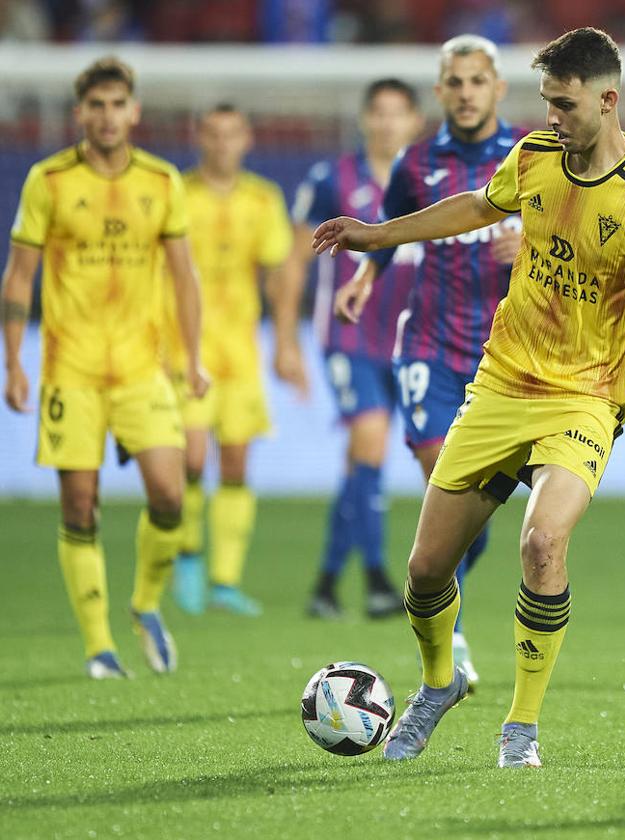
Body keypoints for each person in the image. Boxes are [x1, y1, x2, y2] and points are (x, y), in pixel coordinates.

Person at [315, 26, 625, 768]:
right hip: (500, 383)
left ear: (607, 99)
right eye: (546, 102)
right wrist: (378, 236)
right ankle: (438, 685)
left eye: (564, 104)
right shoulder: (532, 158)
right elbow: (473, 206)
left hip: (586, 399)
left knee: (541, 542)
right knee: (427, 570)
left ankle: (520, 726)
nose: (551, 116)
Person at [1, 56, 207, 678]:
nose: (108, 116)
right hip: (72, 370)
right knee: (79, 506)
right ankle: (100, 648)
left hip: (143, 369)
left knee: (171, 496)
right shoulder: (50, 180)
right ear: (80, 113)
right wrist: (13, 360)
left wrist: (193, 359)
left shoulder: (162, 181)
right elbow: (19, 278)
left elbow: (185, 279)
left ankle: (144, 604)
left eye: (118, 104)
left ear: (134, 111)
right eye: (96, 105)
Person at [355, 34, 524, 687]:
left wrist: (531, 240)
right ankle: (448, 631)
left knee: (470, 508)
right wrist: (364, 278)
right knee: (441, 479)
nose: (465, 92)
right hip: (427, 342)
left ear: (498, 88)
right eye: (454, 82)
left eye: (477, 81)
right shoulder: (417, 162)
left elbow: (573, 234)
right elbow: (390, 226)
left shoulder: (533, 156)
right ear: (440, 91)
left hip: (506, 358)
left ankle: (436, 589)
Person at [277, 78, 425, 620]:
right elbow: (295, 262)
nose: (387, 123)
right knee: (369, 445)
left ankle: (326, 582)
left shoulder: (430, 181)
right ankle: (380, 578)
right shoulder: (330, 179)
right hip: (351, 338)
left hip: (416, 343)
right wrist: (286, 339)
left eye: (397, 113)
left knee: (360, 467)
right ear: (365, 120)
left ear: (414, 121)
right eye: (378, 113)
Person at [165, 103, 298, 617]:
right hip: (184, 346)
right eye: (213, 135)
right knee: (193, 457)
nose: (222, 144)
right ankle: (189, 556)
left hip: (239, 351)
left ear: (246, 139)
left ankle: (224, 580)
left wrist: (286, 343)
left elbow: (278, 278)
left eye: (231, 135)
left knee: (237, 462)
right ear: (200, 138)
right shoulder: (175, 193)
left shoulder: (263, 199)